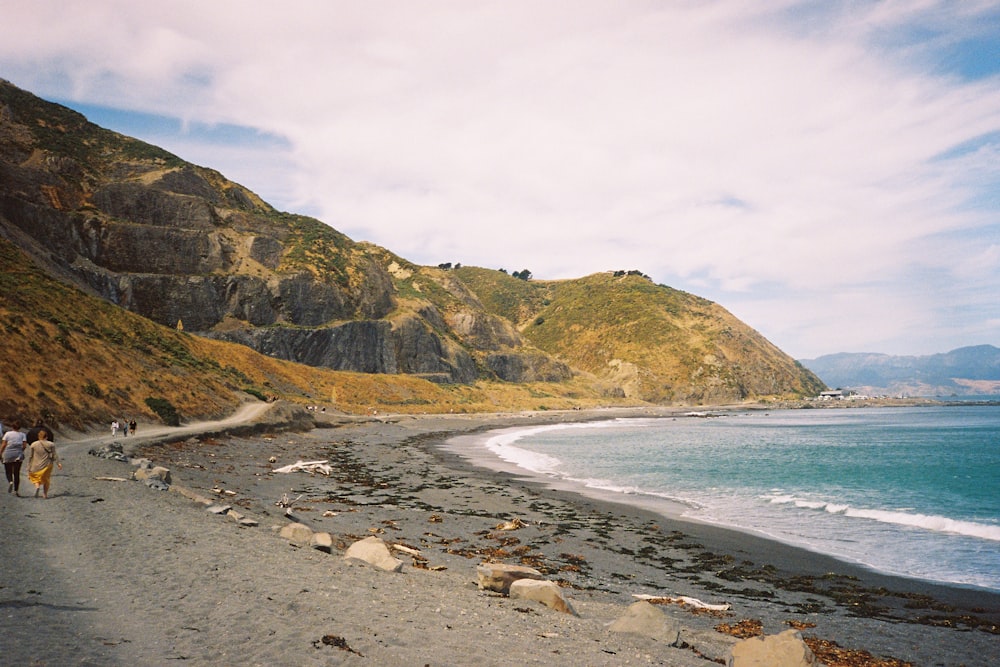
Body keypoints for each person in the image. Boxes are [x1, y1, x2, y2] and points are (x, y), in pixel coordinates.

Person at [26, 429, 61, 499]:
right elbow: (54, 455)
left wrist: (28, 467)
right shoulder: (51, 444)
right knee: (46, 479)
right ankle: (45, 494)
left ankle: (37, 486)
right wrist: (58, 463)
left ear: (38, 436)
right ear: (46, 436)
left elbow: (30, 457)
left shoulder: (33, 444)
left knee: (34, 477)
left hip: (36, 465)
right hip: (47, 464)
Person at [1, 420, 28, 496]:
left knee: (8, 470)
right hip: (18, 455)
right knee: (16, 473)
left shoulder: (7, 434)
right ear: (19, 427)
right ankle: (16, 490)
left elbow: (3, 444)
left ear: (12, 426)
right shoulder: (23, 434)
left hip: (8, 454)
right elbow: (24, 445)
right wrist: (20, 451)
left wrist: (0, 453)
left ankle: (10, 481)